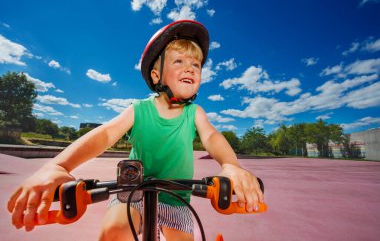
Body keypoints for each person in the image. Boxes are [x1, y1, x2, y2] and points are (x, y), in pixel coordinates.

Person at [7, 20, 264, 241]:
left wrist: (231, 166)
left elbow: (211, 137)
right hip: (131, 190)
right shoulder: (139, 109)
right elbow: (107, 134)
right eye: (179, 60)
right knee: (115, 234)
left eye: (196, 64)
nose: (190, 68)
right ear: (156, 75)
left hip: (176, 198)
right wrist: (59, 166)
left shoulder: (194, 113)